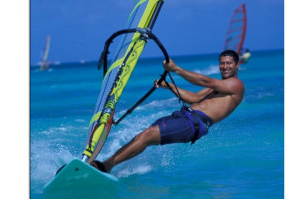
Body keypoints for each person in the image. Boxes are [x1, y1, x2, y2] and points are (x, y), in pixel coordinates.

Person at [90, 49, 245, 174]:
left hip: (193, 124)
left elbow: (206, 80)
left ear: (237, 65)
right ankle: (109, 164)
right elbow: (194, 98)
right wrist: (168, 85)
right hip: (185, 117)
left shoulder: (236, 85)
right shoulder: (218, 87)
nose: (225, 66)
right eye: (222, 63)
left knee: (147, 136)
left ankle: (106, 166)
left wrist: (176, 69)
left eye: (229, 63)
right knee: (144, 135)